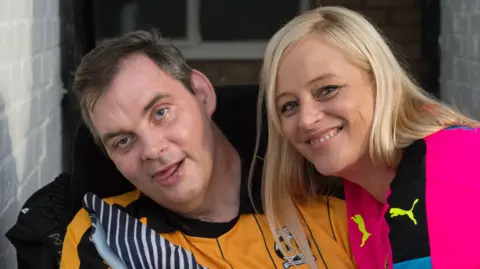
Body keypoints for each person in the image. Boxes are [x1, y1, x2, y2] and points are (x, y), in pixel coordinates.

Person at [60, 29, 355, 269]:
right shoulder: (103, 238)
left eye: (160, 112)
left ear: (201, 95)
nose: (151, 149)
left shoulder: (328, 191)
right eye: (123, 141)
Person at [257, 5, 480, 269]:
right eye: (289, 106)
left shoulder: (444, 167)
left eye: (327, 89)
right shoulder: (363, 192)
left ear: (382, 81)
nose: (306, 119)